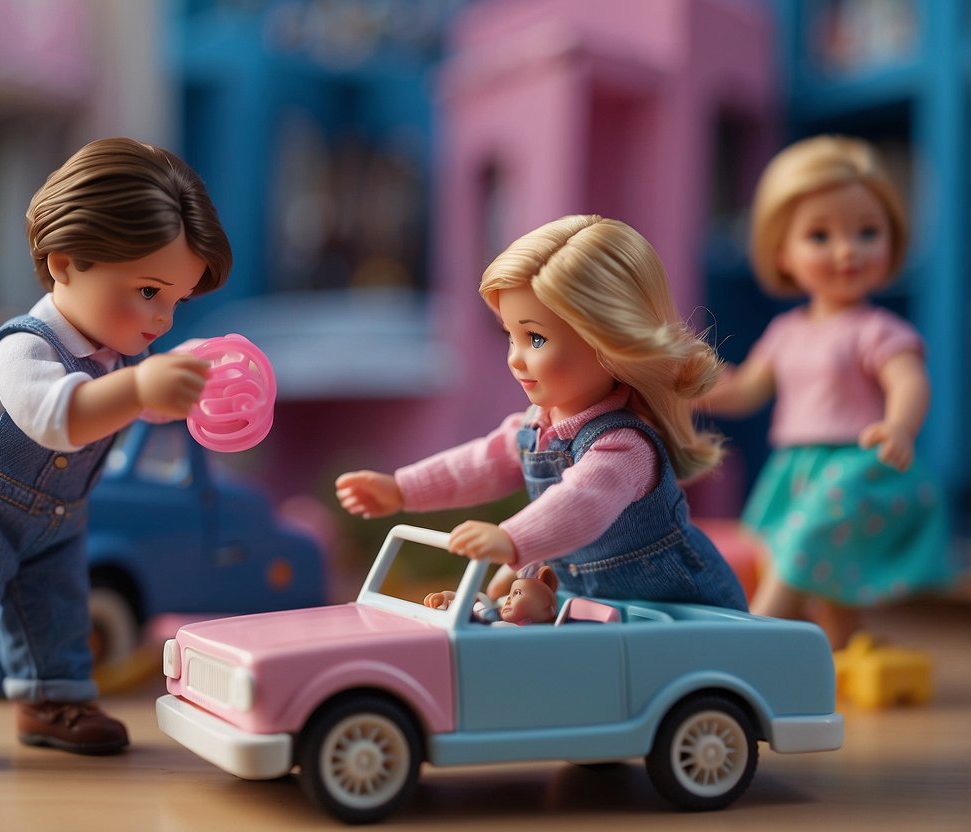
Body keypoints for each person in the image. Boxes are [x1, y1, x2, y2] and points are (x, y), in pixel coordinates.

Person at [0, 137, 232, 768]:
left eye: (176, 300)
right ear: (66, 262)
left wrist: (183, 398)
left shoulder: (124, 359)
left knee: (59, 606)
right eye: (149, 291)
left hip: (60, 517)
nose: (163, 319)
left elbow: (135, 403)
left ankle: (51, 699)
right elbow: (58, 418)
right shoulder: (25, 350)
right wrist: (141, 387)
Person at [337, 215, 746, 611]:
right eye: (508, 335)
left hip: (681, 608)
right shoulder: (535, 428)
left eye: (535, 338)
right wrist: (401, 489)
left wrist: (511, 539)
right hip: (597, 604)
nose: (515, 359)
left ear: (607, 339)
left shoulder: (625, 447)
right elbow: (477, 464)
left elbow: (581, 502)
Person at [702, 134, 952, 648]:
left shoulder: (877, 330)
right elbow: (746, 388)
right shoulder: (786, 332)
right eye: (820, 236)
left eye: (867, 232)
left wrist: (899, 425)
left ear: (892, 238)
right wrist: (693, 390)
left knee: (802, 545)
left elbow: (908, 379)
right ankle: (843, 641)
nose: (846, 251)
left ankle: (755, 638)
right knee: (813, 562)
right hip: (797, 467)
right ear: (782, 253)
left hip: (859, 463)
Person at [423, 565, 560, 626]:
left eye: (517, 593)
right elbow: (482, 604)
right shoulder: (498, 610)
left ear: (547, 610)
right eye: (510, 594)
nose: (508, 599)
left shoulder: (529, 630)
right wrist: (452, 599)